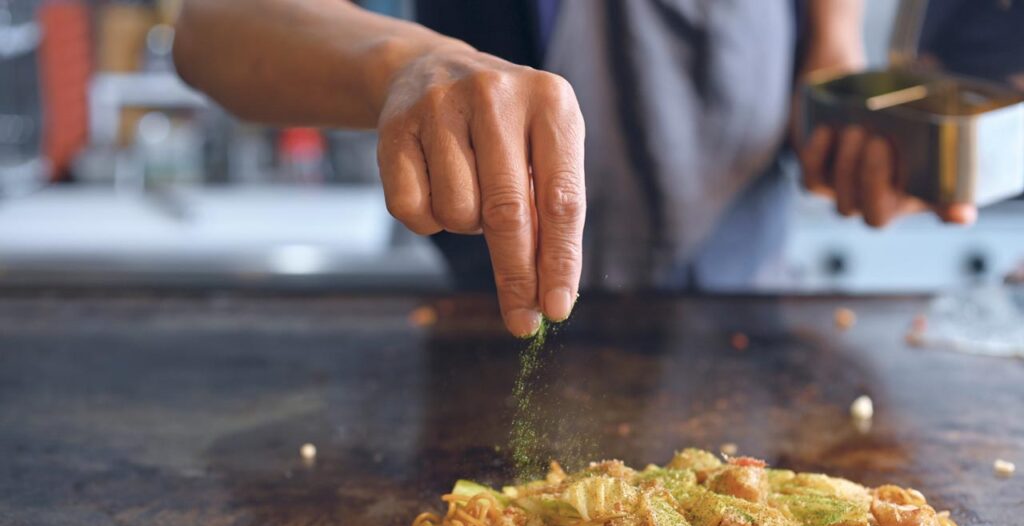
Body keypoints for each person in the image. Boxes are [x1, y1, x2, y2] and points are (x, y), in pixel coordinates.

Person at [173, 0, 977, 337]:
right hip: (489, 342)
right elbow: (211, 28)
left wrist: (834, 72)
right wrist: (408, 64)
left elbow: (826, 49)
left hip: (753, 323)